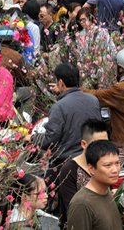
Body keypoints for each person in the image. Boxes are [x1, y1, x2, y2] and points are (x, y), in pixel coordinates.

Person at [24, 64, 102, 207]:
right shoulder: (93, 100)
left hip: (64, 163)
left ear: (60, 82)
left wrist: (33, 138)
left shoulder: (60, 107)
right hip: (90, 159)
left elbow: (50, 139)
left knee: (49, 198)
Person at [57, 119, 109, 228]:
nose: (103, 149)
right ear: (84, 144)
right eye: (98, 144)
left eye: (106, 143)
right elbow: (72, 210)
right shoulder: (70, 170)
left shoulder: (105, 165)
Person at [66, 140, 123, 230]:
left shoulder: (107, 191)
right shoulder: (82, 205)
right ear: (91, 169)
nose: (115, 170)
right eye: (108, 165)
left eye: (117, 163)